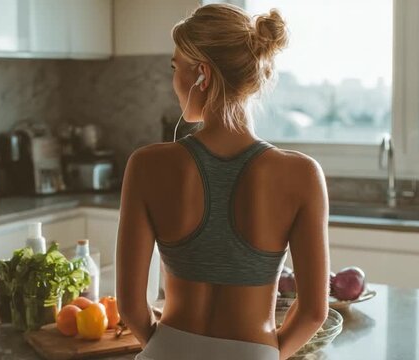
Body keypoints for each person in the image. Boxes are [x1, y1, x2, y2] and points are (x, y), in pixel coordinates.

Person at [116, 4, 330, 360]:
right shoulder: (303, 174)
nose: (174, 82)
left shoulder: (146, 164)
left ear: (202, 74)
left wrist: (168, 348)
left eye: (175, 68)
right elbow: (313, 313)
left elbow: (131, 307)